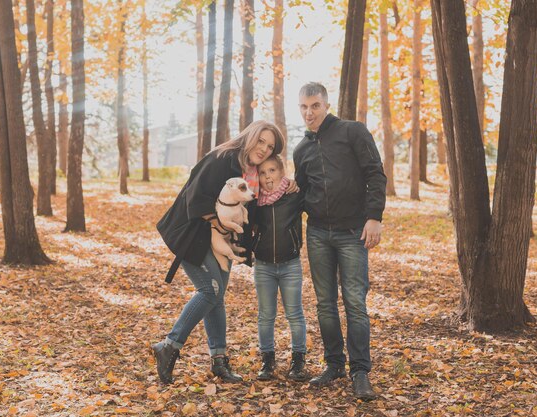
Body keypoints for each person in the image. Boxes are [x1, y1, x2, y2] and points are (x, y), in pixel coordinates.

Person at [153, 120, 285, 385]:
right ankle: (168, 346)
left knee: (217, 296)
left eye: (269, 146)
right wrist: (217, 224)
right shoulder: (222, 158)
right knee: (210, 290)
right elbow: (195, 197)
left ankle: (219, 361)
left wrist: (288, 187)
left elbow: (256, 207)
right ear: (250, 136)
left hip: (220, 240)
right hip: (193, 234)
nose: (263, 149)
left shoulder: (250, 173)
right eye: (261, 141)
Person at [293, 82, 386, 400]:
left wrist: (374, 216)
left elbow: (376, 173)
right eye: (304, 107)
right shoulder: (301, 149)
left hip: (352, 233)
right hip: (317, 233)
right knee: (324, 304)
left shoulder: (352, 132)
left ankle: (360, 372)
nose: (309, 112)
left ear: (326, 104)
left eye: (315, 105)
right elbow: (302, 194)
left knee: (355, 303)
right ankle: (334, 364)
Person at [251, 155, 309, 382]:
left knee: (294, 314)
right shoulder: (254, 200)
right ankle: (267, 360)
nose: (268, 177)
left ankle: (298, 361)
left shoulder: (294, 195)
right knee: (266, 315)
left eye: (272, 171)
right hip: (264, 266)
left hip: (290, 265)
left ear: (282, 172)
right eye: (263, 173)